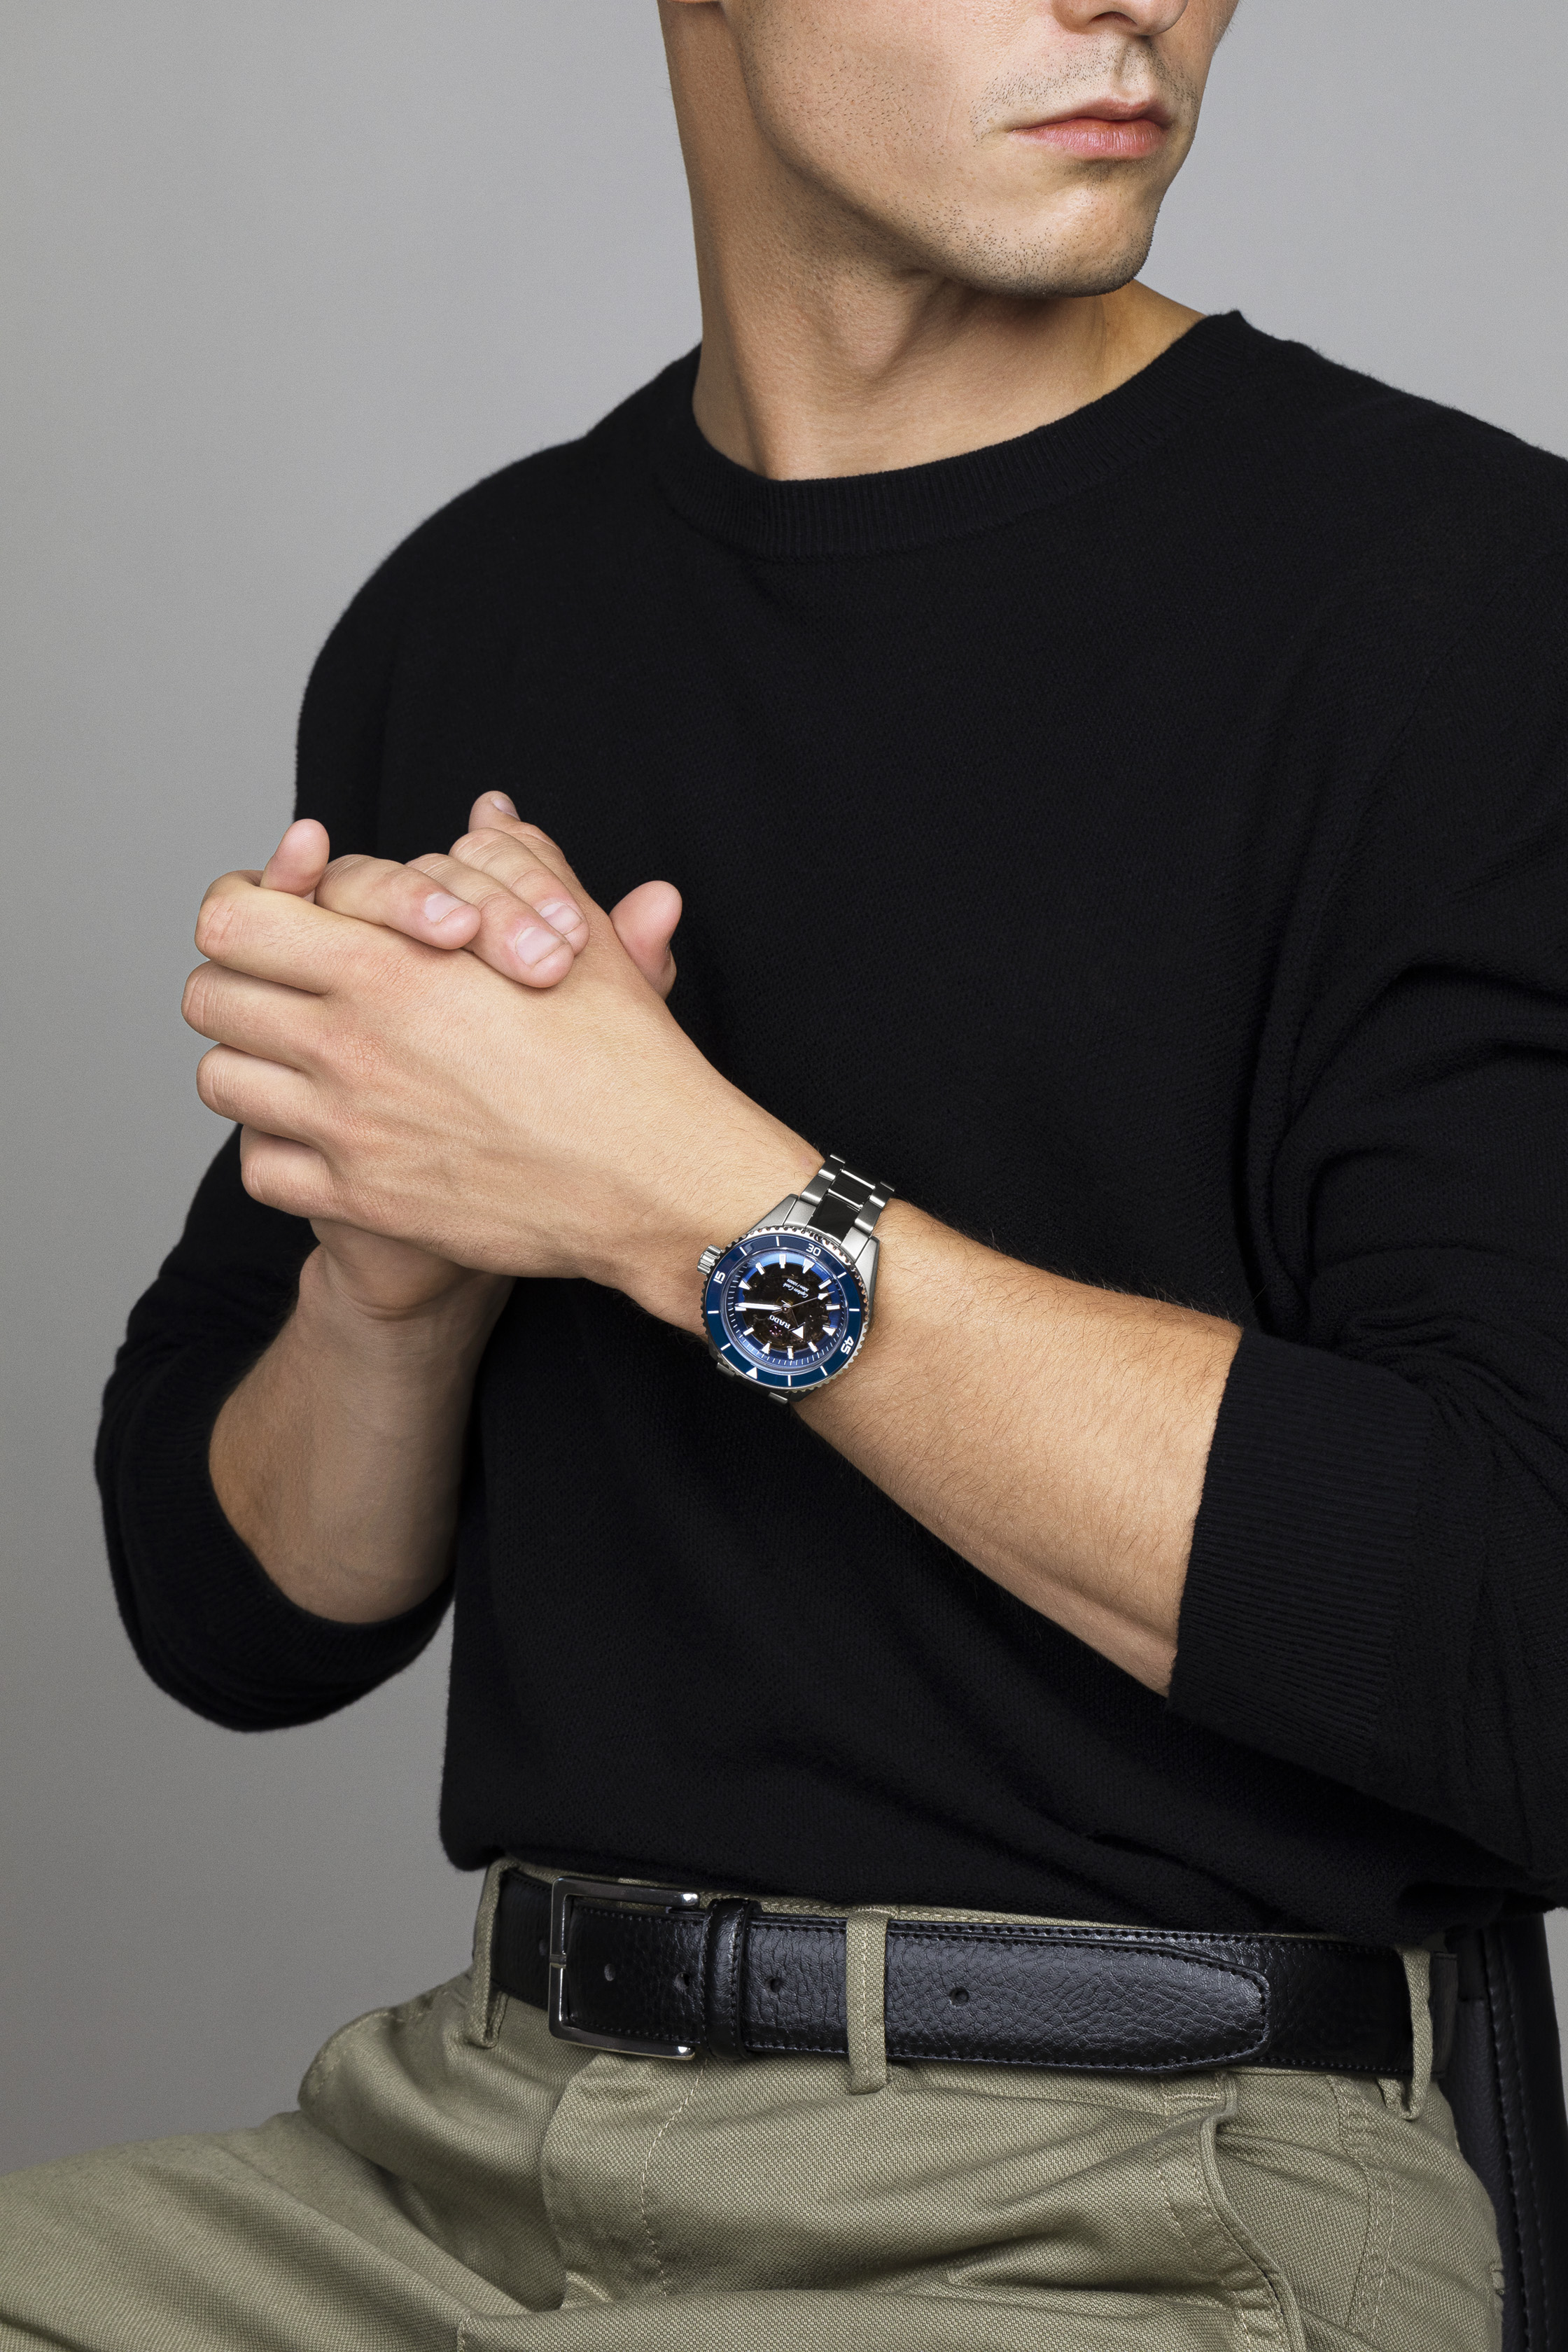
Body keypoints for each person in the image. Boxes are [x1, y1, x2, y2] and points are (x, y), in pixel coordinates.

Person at [4, 0, 1564, 2342]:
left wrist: (693, 1203)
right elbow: (233, 1616)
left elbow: (1527, 1638)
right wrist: (393, 1275)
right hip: (473, 2141)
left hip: (1148, 2187)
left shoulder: (1470, 599)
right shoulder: (472, 616)